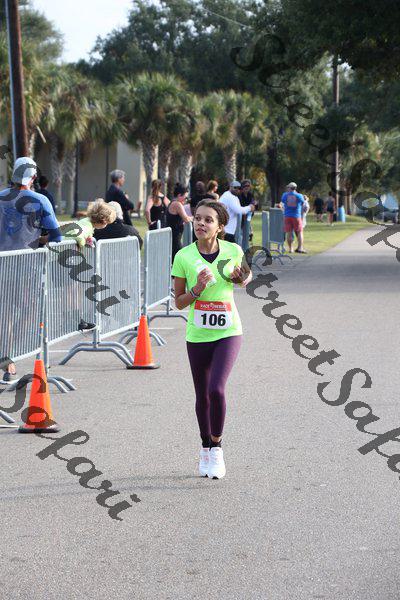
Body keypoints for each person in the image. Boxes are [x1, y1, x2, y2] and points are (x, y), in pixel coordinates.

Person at [171, 199, 252, 479]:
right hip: (198, 334)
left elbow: (246, 277)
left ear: (220, 227)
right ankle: (204, 446)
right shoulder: (183, 256)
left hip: (228, 331)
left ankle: (217, 447)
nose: (201, 223)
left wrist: (241, 278)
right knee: (202, 395)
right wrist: (197, 289)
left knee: (217, 389)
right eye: (197, 218)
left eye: (208, 220)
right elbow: (179, 302)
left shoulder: (233, 250)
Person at [0, 157, 61, 381]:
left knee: (5, 313)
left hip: (3, 265)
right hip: (28, 267)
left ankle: (7, 359)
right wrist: (38, 240)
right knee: (29, 311)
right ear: (33, 177)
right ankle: (12, 353)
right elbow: (56, 236)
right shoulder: (40, 200)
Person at [277, 181, 306, 253]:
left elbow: (282, 202)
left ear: (290, 188)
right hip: (296, 216)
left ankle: (291, 249)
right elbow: (303, 203)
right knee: (299, 232)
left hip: (287, 216)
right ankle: (300, 247)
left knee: (289, 232)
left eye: (288, 187)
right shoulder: (299, 195)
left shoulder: (285, 195)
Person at [166, 183, 193, 261]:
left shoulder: (173, 202)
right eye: (185, 197)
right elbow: (186, 218)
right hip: (175, 235)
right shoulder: (177, 204)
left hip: (174, 234)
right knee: (178, 257)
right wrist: (196, 218)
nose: (186, 200)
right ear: (179, 195)